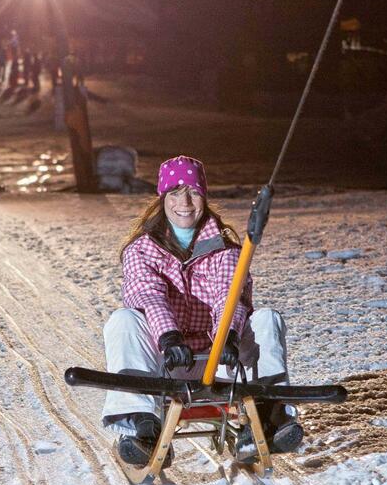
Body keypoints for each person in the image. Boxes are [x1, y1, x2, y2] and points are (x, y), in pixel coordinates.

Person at [100, 156, 303, 467]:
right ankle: (143, 429)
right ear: (162, 199)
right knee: (123, 320)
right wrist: (169, 337)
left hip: (221, 359)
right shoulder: (141, 250)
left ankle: (268, 417)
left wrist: (230, 338)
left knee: (267, 319)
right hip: (165, 364)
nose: (185, 202)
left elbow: (229, 298)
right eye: (175, 193)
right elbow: (148, 295)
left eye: (193, 192)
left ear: (204, 197)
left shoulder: (226, 250)